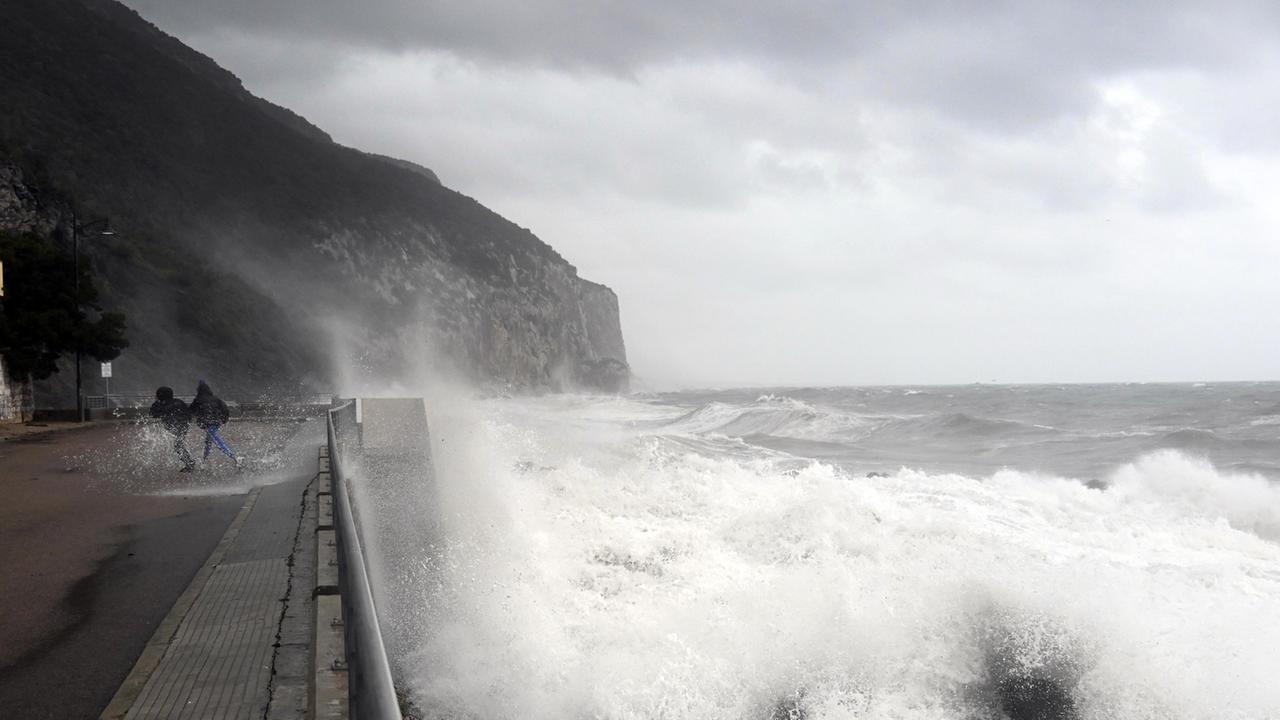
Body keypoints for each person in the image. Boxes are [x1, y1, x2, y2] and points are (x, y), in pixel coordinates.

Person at [189, 380, 240, 469]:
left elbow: (191, 411)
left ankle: (234, 457)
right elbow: (225, 409)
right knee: (209, 439)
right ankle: (205, 459)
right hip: (217, 421)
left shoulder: (198, 400)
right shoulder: (216, 399)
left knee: (216, 440)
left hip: (207, 422)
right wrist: (224, 420)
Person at [149, 386, 196, 472]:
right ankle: (189, 463)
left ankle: (190, 463)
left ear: (160, 395)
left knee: (178, 446)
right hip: (183, 426)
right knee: (178, 445)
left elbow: (152, 414)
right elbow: (188, 413)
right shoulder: (179, 402)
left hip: (173, 427)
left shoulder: (160, 404)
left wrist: (156, 402)